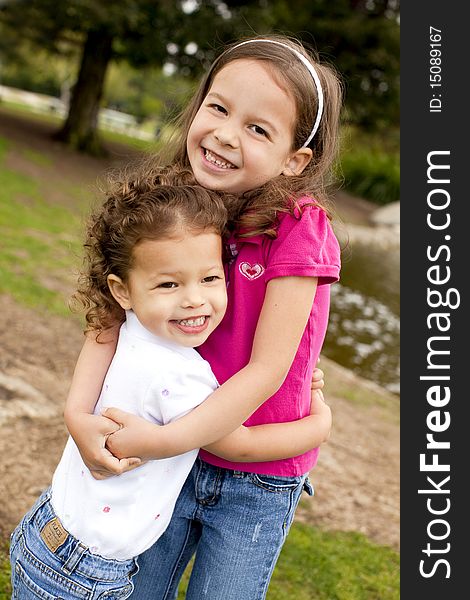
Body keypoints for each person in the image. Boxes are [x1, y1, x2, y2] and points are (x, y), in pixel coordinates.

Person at [64, 34, 342, 599]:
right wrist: (77, 413)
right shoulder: (179, 205)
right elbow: (109, 313)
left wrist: (169, 441)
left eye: (257, 128)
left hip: (254, 474)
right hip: (173, 447)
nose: (224, 133)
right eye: (218, 107)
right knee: (137, 589)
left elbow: (266, 370)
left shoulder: (298, 228)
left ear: (295, 159)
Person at [9, 181, 332, 599]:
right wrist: (320, 422)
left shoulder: (130, 331)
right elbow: (241, 444)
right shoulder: (183, 381)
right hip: (87, 573)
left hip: (46, 532)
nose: (194, 300)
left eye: (211, 278)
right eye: (168, 285)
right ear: (121, 290)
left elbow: (101, 327)